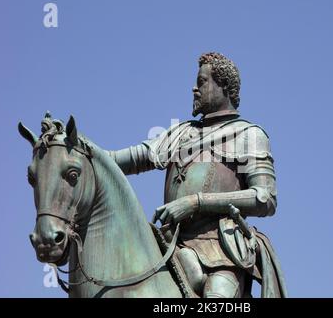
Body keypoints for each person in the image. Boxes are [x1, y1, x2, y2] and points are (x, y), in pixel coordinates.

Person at [107, 52, 285, 298]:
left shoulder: (249, 135)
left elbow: (265, 198)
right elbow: (126, 159)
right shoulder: (180, 133)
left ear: (223, 86)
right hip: (168, 246)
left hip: (221, 252)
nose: (194, 88)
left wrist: (195, 202)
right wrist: (76, 149)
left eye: (202, 82)